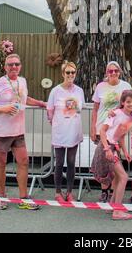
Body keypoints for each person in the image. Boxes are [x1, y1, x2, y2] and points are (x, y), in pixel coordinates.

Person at [0, 53, 46, 210]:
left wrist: (41, 103)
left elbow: (24, 99)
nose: (14, 67)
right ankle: (2, 196)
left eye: (16, 64)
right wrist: (4, 108)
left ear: (20, 66)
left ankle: (23, 198)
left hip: (18, 130)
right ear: (5, 67)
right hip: (1, 131)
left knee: (24, 161)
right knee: (1, 163)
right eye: (10, 64)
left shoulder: (22, 81)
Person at [90, 61, 131, 202]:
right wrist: (93, 127)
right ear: (106, 73)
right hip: (103, 129)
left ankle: (114, 194)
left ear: (120, 72)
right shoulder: (100, 87)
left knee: (113, 164)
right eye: (110, 71)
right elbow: (95, 109)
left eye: (115, 71)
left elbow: (129, 104)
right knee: (104, 163)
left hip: (116, 132)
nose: (113, 73)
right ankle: (104, 191)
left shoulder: (125, 86)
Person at [91, 90, 132, 220]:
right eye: (128, 102)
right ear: (123, 102)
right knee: (123, 177)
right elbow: (103, 131)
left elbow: (121, 136)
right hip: (106, 147)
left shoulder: (131, 119)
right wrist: (106, 149)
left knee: (118, 177)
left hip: (114, 148)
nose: (131, 104)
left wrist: (126, 152)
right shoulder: (115, 113)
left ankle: (112, 205)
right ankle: (117, 210)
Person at [47, 61, 85, 203]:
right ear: (63, 73)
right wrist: (57, 122)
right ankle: (58, 192)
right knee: (59, 162)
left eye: (73, 72)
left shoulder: (79, 91)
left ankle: (69, 191)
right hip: (60, 131)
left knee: (71, 161)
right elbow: (50, 110)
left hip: (74, 130)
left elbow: (79, 109)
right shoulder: (55, 91)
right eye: (67, 72)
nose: (70, 75)